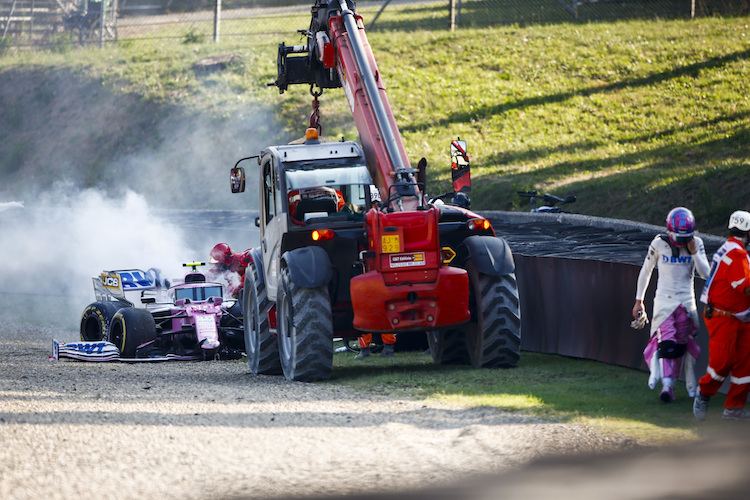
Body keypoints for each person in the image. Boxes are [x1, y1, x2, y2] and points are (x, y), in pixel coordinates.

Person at [633, 207, 710, 403]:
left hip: (686, 301)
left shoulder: (696, 244)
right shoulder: (658, 244)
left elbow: (706, 274)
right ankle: (666, 385)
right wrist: (639, 300)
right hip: (663, 301)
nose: (681, 242)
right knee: (667, 342)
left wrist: (694, 253)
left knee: (680, 346)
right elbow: (646, 270)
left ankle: (671, 384)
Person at [693, 210, 750, 421]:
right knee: (722, 363)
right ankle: (704, 394)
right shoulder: (736, 254)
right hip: (724, 316)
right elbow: (744, 286)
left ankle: (734, 408)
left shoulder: (734, 249)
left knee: (746, 363)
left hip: (738, 316)